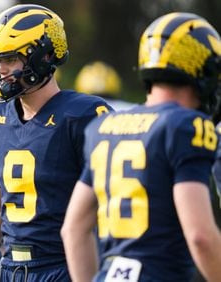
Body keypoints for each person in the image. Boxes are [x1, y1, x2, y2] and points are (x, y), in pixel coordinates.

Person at [61, 12, 221, 282]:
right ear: (200, 70)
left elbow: (74, 228)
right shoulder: (185, 125)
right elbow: (200, 236)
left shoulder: (104, 127)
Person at [0, 5, 112, 282]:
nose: (1, 70)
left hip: (65, 265)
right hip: (10, 268)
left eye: (11, 59)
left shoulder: (83, 115)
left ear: (44, 56)